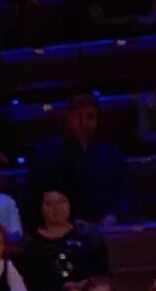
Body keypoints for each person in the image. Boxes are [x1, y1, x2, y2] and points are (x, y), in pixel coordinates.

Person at [31, 96, 130, 228]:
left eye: (90, 117)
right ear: (68, 118)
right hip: (62, 228)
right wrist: (69, 221)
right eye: (78, 116)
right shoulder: (47, 155)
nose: (83, 122)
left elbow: (124, 193)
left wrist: (112, 216)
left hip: (106, 228)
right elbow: (38, 196)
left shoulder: (111, 154)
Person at [15, 188, 108, 291]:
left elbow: (101, 272)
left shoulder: (87, 235)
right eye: (49, 204)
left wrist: (82, 286)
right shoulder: (30, 245)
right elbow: (27, 284)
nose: (56, 209)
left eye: (62, 202)